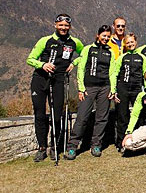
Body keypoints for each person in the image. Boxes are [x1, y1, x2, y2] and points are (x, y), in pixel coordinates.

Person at [27, 14, 84, 162]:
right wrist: (42, 65)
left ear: (70, 26)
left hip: (58, 81)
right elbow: (30, 59)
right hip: (40, 80)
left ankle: (55, 147)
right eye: (61, 25)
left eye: (66, 25)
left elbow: (84, 54)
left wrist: (74, 62)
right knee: (39, 114)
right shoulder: (45, 41)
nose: (63, 28)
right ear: (55, 25)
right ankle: (41, 148)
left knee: (57, 116)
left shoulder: (74, 42)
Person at [66, 25, 117, 160]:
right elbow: (81, 69)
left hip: (105, 88)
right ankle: (72, 146)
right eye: (103, 35)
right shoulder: (88, 49)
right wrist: (81, 88)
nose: (105, 38)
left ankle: (96, 145)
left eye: (108, 36)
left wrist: (113, 89)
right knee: (82, 117)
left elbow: (112, 72)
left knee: (102, 118)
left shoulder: (110, 52)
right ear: (98, 35)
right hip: (89, 87)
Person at [112, 33, 146, 153]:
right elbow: (115, 74)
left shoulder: (142, 57)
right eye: (128, 43)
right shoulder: (122, 57)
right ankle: (121, 143)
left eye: (132, 42)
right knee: (122, 116)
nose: (130, 44)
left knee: (140, 115)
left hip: (137, 89)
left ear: (136, 42)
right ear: (125, 45)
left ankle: (139, 141)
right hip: (123, 88)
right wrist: (114, 90)